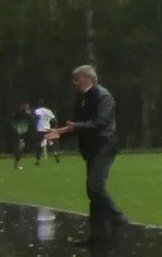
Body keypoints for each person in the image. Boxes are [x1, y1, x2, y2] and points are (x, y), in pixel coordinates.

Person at [45, 63, 126, 245]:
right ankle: (99, 236)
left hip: (105, 146)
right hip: (91, 149)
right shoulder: (80, 99)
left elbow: (100, 123)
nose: (75, 82)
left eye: (78, 78)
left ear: (89, 78)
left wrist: (70, 128)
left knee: (95, 185)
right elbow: (80, 127)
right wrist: (61, 133)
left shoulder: (103, 96)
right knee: (92, 191)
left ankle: (118, 218)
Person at [10, 102, 33, 169]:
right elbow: (13, 119)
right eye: (27, 106)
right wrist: (16, 127)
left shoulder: (27, 114)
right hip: (21, 129)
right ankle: (16, 165)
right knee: (20, 147)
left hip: (24, 129)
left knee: (21, 147)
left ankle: (16, 164)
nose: (28, 108)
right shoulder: (20, 113)